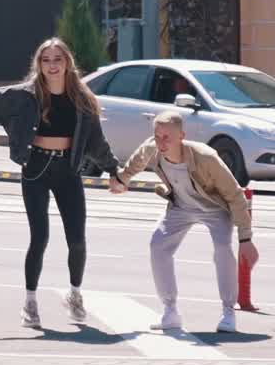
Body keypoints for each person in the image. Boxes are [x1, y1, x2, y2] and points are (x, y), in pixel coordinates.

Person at [0, 37, 120, 330]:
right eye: (46, 60)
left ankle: (75, 293)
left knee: (77, 240)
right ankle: (30, 302)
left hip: (67, 170)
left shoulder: (83, 100)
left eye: (58, 59)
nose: (52, 65)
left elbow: (96, 142)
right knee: (39, 237)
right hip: (36, 169)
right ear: (39, 65)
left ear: (68, 62)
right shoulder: (25, 95)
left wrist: (113, 171)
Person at [111, 108, 259, 334]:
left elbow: (235, 195)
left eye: (167, 137)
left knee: (222, 248)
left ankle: (228, 312)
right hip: (181, 207)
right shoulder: (153, 147)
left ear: (182, 136)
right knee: (157, 246)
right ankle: (170, 312)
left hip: (214, 207)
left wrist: (246, 238)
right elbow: (138, 161)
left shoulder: (206, 157)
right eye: (158, 136)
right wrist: (122, 179)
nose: (161, 142)